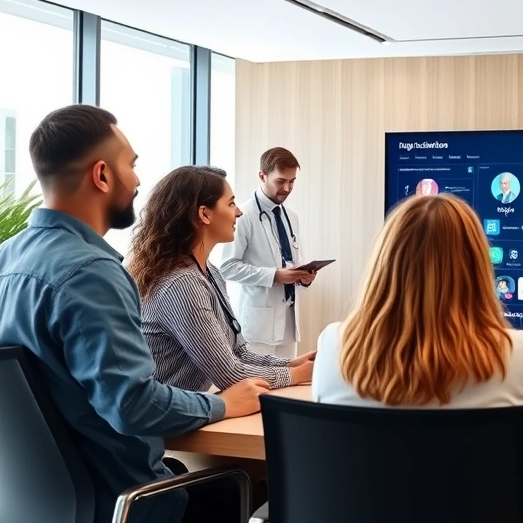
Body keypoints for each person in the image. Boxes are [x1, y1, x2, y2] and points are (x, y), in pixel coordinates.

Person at [0, 105, 268, 523]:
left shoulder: (6, 258)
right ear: (102, 175)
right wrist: (221, 405)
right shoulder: (92, 273)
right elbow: (132, 405)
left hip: (39, 503)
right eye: (132, 165)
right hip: (126, 501)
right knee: (265, 488)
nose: (139, 180)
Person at [311, 193, 523, 482]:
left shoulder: (334, 344)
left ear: (384, 263)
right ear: (476, 267)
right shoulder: (521, 354)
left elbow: (328, 457)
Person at [127, 165, 316, 393]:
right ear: (204, 214)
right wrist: (299, 374)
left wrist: (293, 364)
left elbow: (238, 352)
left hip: (189, 405)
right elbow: (230, 374)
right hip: (163, 413)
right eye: (231, 204)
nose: (239, 212)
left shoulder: (210, 272)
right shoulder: (182, 284)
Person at [220, 147, 315, 358]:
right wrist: (274, 275)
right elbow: (227, 267)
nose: (287, 188)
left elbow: (292, 260)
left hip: (288, 322)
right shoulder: (244, 216)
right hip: (257, 327)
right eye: (280, 181)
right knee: (258, 378)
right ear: (262, 176)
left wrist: (304, 277)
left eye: (292, 181)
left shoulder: (291, 217)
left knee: (288, 378)